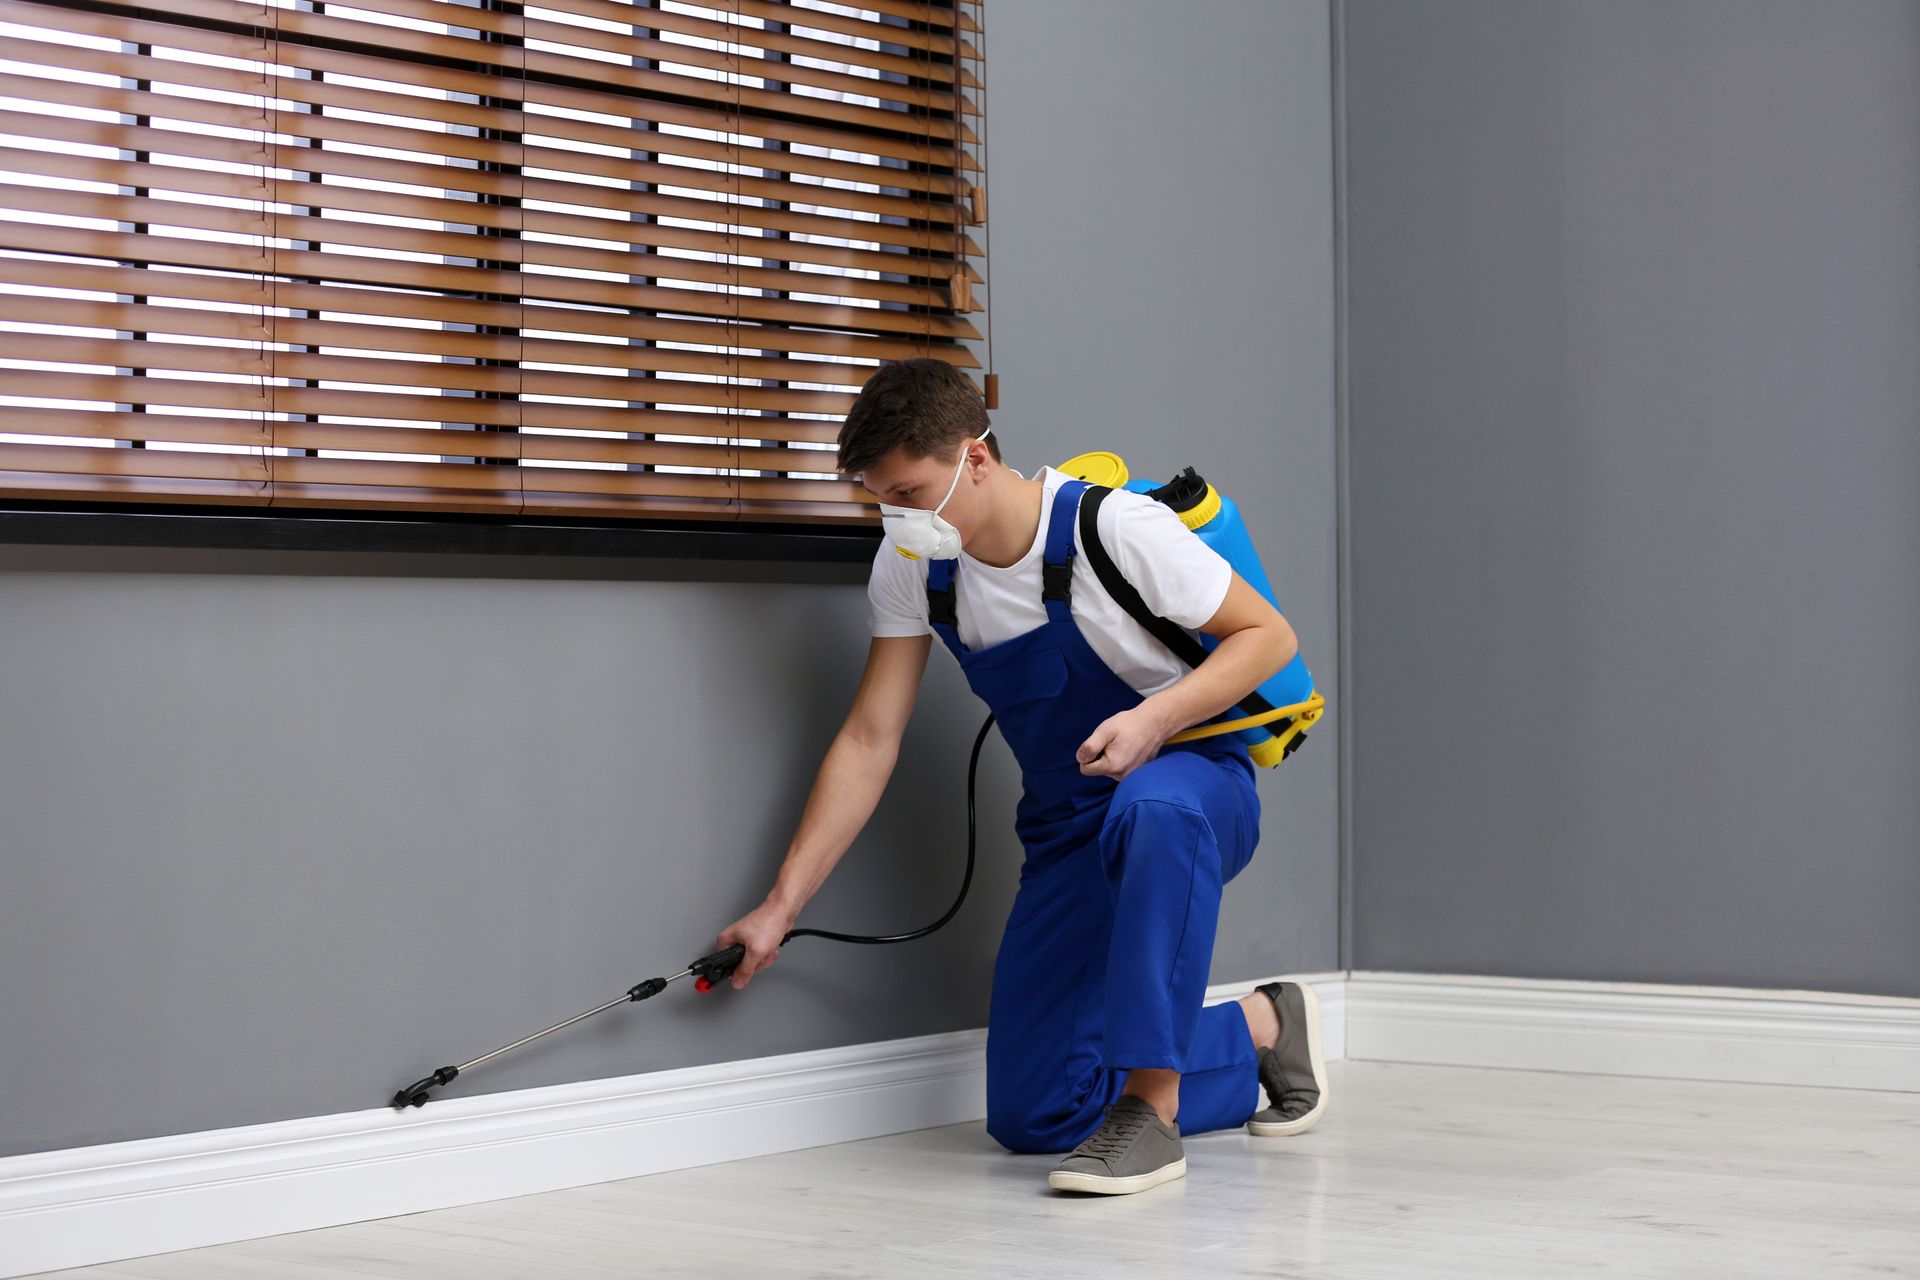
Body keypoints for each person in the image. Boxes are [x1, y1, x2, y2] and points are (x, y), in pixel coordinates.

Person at [715, 358, 1328, 1196]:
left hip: (1195, 780)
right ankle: (1258, 1029)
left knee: (1153, 810)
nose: (895, 515)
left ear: (974, 457)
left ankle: (1152, 1114)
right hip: (1069, 823)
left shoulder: (1109, 528)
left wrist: (1154, 719)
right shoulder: (912, 566)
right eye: (880, 498)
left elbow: (1269, 637)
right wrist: (780, 906)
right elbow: (869, 738)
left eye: (908, 490)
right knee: (1035, 1114)